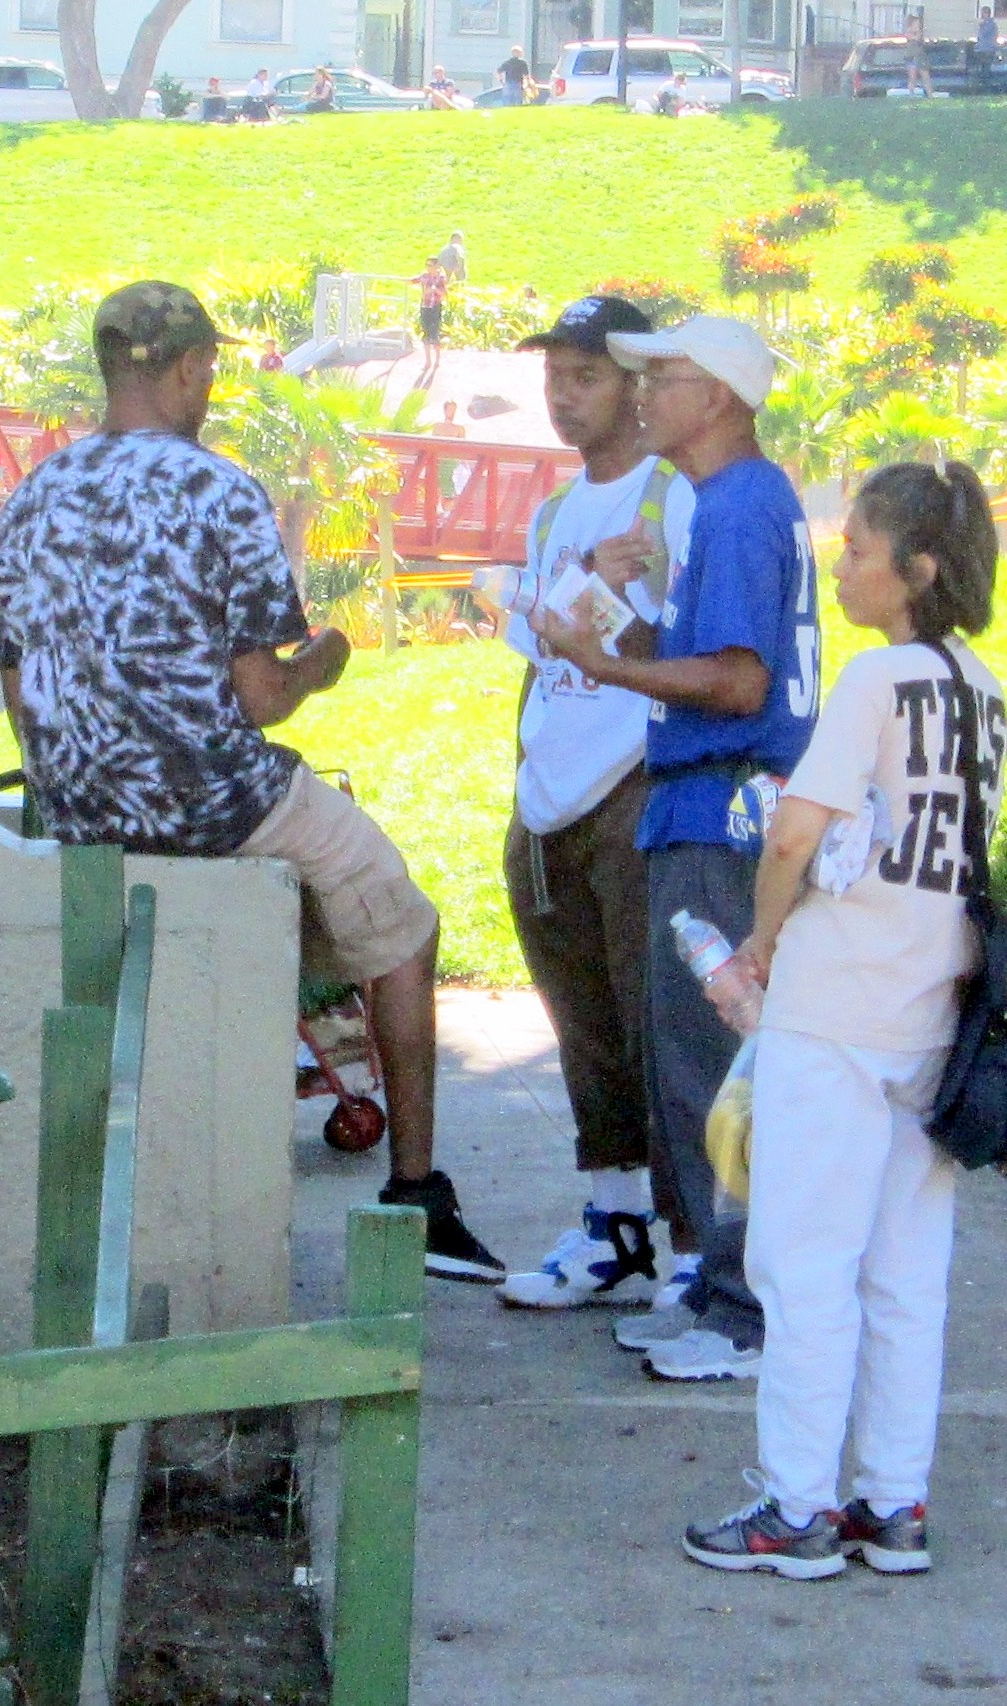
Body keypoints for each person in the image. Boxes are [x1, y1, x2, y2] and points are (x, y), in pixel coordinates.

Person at [0, 280, 502, 1284]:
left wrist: (82, 765)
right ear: (188, 371)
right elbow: (262, 697)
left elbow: (16, 682)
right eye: (210, 374)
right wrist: (328, 658)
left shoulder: (32, 499)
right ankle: (417, 1188)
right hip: (213, 796)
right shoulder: (222, 491)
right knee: (402, 920)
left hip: (78, 804)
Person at [683, 460, 1000, 1579]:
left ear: (913, 570)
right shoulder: (979, 686)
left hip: (834, 1005)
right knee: (906, 1269)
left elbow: (793, 834)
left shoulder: (874, 679)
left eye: (858, 548)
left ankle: (796, 1505)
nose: (841, 562)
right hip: (933, 1013)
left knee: (802, 1259)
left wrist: (762, 944)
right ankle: (891, 1501)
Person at [535, 315, 820, 1382]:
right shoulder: (738, 503)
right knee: (686, 1067)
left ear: (722, 396)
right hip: (705, 812)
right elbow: (711, 659)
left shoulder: (740, 506)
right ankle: (711, 1285)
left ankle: (742, 1310)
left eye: (665, 376)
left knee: (711, 1074)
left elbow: (739, 684)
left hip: (717, 817)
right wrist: (624, 637)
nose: (642, 391)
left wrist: (607, 672)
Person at [494, 297, 697, 1310]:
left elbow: (681, 649)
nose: (562, 397)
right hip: (550, 796)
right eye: (553, 378)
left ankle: (697, 1240)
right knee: (581, 1020)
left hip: (633, 784)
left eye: (584, 377)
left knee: (660, 1019)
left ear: (635, 382)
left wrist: (583, 606)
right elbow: (541, 640)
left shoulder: (673, 495)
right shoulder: (555, 510)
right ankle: (614, 1220)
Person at [411, 256, 449, 379]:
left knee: (435, 333)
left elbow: (445, 295)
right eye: (427, 265)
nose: (428, 268)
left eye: (430, 265)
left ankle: (437, 359)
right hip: (425, 307)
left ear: (436, 266)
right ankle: (428, 361)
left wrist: (435, 290)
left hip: (435, 308)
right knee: (426, 333)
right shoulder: (425, 276)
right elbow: (415, 280)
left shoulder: (441, 278)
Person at [905, 9, 934, 95]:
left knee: (925, 76)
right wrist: (916, 33)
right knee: (912, 77)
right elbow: (913, 38)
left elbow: (920, 40)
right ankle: (911, 93)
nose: (918, 24)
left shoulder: (919, 32)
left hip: (920, 57)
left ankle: (930, 94)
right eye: (916, 23)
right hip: (912, 56)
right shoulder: (909, 31)